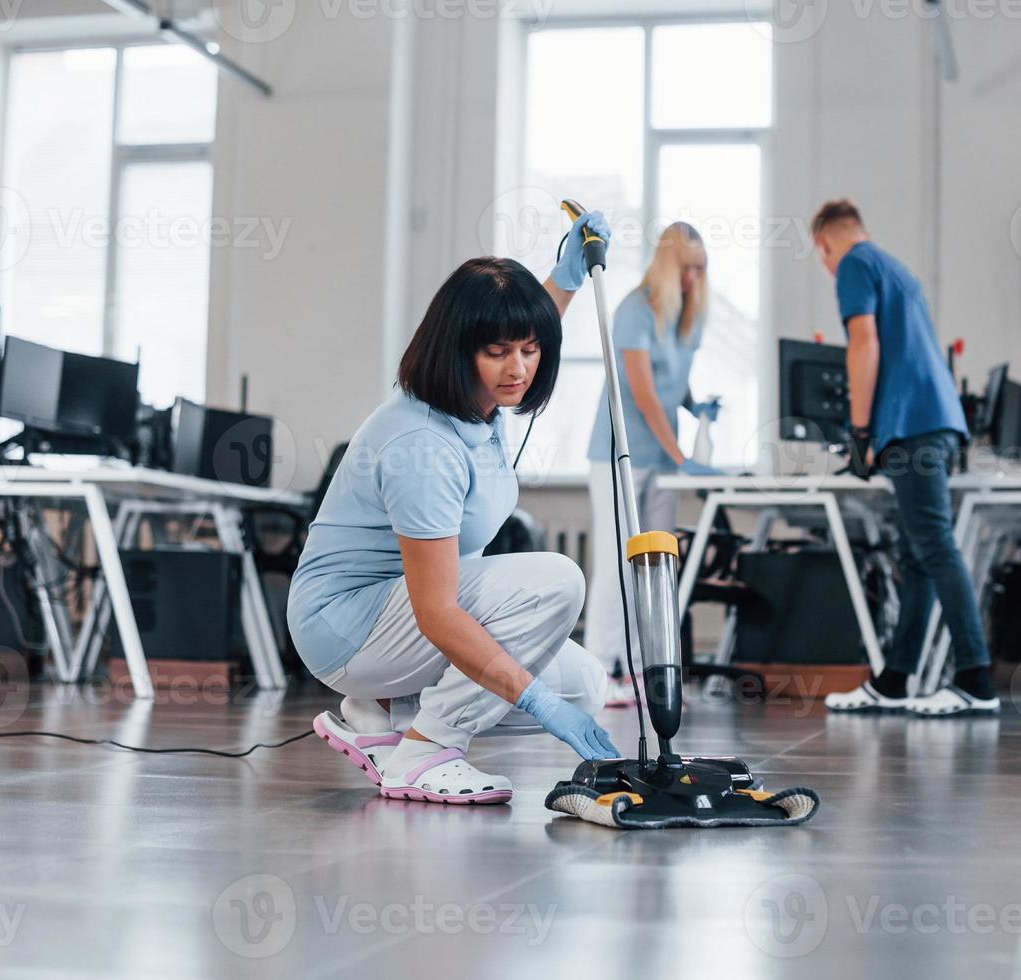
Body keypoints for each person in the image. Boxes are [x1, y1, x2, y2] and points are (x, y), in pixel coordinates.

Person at [287, 211, 620, 806]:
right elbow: (437, 611)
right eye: (498, 352)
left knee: (584, 689)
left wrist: (562, 281)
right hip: (348, 627)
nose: (518, 368)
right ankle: (424, 749)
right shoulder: (423, 445)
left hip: (399, 617)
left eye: (530, 349)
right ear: (458, 351)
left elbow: (516, 332)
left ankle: (386, 713)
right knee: (555, 582)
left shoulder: (478, 400)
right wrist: (530, 700)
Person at [812, 200, 998, 717]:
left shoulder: (852, 265)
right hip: (932, 421)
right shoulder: (894, 268)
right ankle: (895, 680)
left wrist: (861, 428)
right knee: (917, 555)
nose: (827, 267)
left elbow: (863, 345)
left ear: (824, 243)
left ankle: (976, 680)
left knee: (934, 545)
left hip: (912, 426)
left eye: (820, 258)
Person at [584, 222, 720, 708]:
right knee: (615, 560)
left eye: (700, 269)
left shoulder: (688, 315)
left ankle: (646, 670)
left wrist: (695, 408)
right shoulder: (635, 310)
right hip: (619, 453)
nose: (692, 278)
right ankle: (600, 669)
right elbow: (641, 393)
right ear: (667, 264)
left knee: (654, 566)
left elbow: (672, 383)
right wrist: (684, 456)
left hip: (663, 460)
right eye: (685, 268)